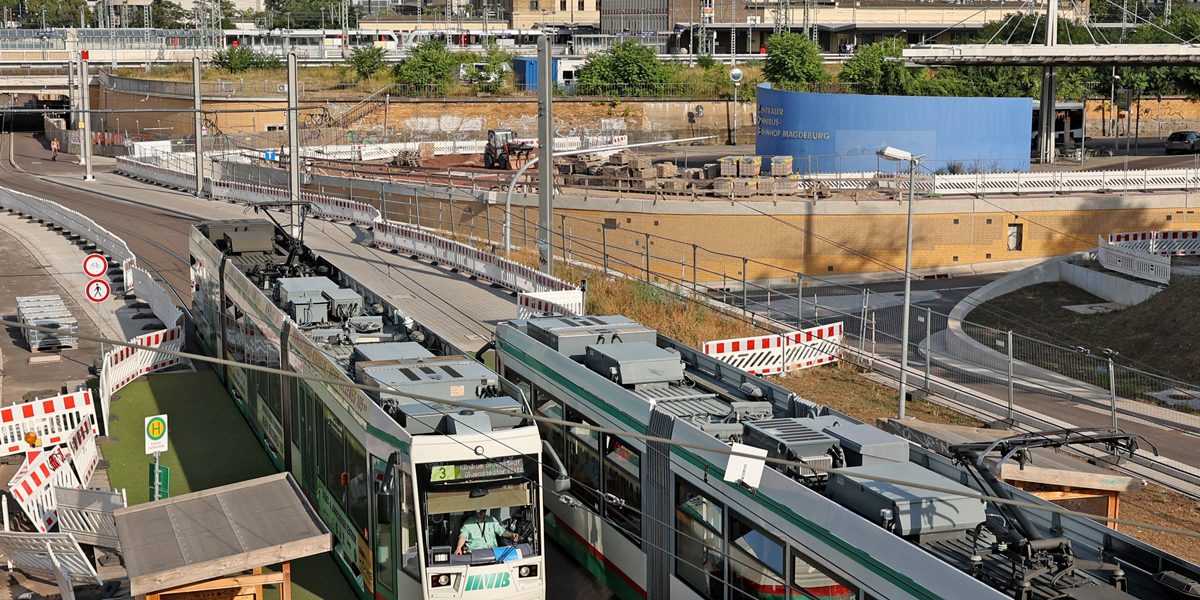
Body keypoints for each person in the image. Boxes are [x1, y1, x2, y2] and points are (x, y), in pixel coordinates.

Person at [454, 509, 519, 554]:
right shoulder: (468, 523)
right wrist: (459, 548)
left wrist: (512, 535)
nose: (482, 513)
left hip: (493, 551)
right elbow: (463, 536)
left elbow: (502, 532)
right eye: (479, 511)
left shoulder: (491, 519)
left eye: (484, 510)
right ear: (475, 511)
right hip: (475, 552)